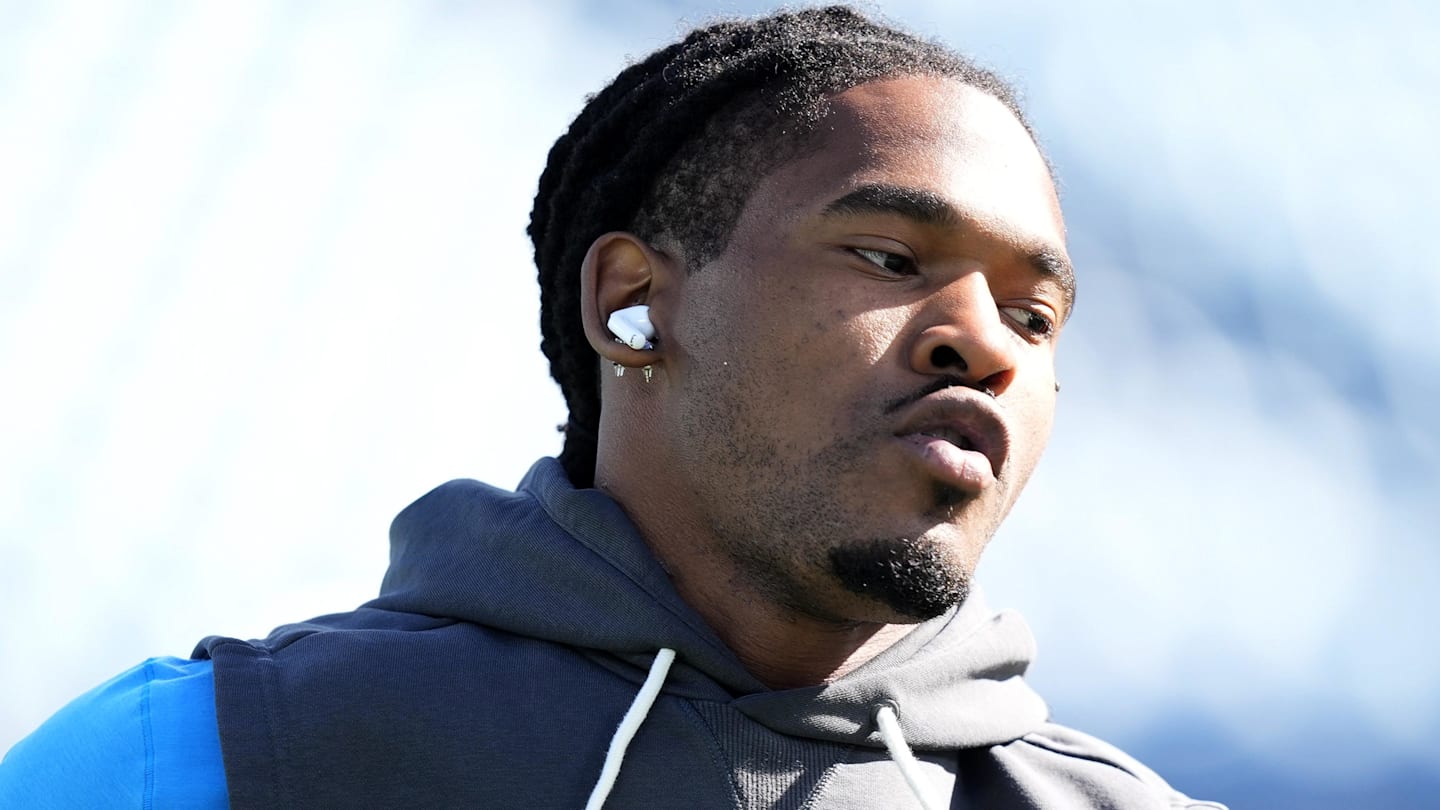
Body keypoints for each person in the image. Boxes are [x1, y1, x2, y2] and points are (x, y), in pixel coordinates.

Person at [0, 6, 1226, 808]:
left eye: (1035, 316)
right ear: (635, 300)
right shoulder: (212, 760)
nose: (985, 343)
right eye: (892, 261)